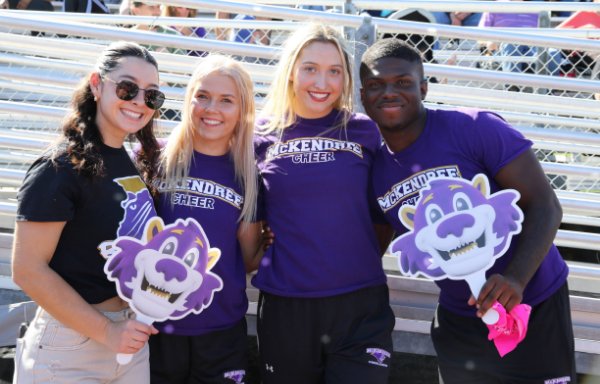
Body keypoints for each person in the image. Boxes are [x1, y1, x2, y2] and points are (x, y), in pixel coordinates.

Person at [359, 38, 576, 384]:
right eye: (375, 85)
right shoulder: (372, 170)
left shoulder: (475, 128)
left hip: (531, 303)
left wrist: (516, 280)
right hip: (461, 320)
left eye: (402, 82)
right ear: (362, 95)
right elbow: (369, 246)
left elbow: (546, 206)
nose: (388, 92)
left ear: (424, 87)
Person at [11, 41, 164, 383]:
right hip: (70, 346)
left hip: (129, 338)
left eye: (152, 95)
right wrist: (106, 332)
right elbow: (27, 269)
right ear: (97, 84)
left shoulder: (130, 162)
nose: (139, 101)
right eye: (127, 88)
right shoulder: (60, 166)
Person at [253, 23, 394, 384]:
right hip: (287, 305)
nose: (322, 82)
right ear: (290, 72)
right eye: (310, 68)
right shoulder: (258, 135)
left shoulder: (366, 130)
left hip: (360, 304)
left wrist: (352, 258)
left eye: (334, 71)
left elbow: (385, 211)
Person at [149, 54, 264, 384]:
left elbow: (247, 259)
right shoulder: (151, 158)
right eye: (202, 96)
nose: (211, 108)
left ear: (242, 110)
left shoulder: (248, 176)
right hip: (154, 328)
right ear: (188, 100)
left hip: (220, 334)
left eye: (226, 100)